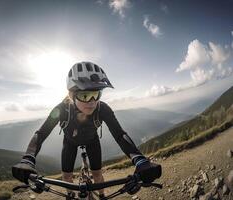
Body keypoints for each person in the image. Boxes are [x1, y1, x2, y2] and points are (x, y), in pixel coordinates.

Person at [12, 61, 162, 199]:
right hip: (69, 143)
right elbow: (41, 133)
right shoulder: (61, 110)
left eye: (97, 94)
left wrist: (140, 160)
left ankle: (102, 195)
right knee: (67, 176)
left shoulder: (102, 108)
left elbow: (119, 134)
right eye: (85, 95)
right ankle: (70, 195)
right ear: (71, 95)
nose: (92, 102)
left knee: (97, 174)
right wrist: (28, 159)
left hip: (92, 141)